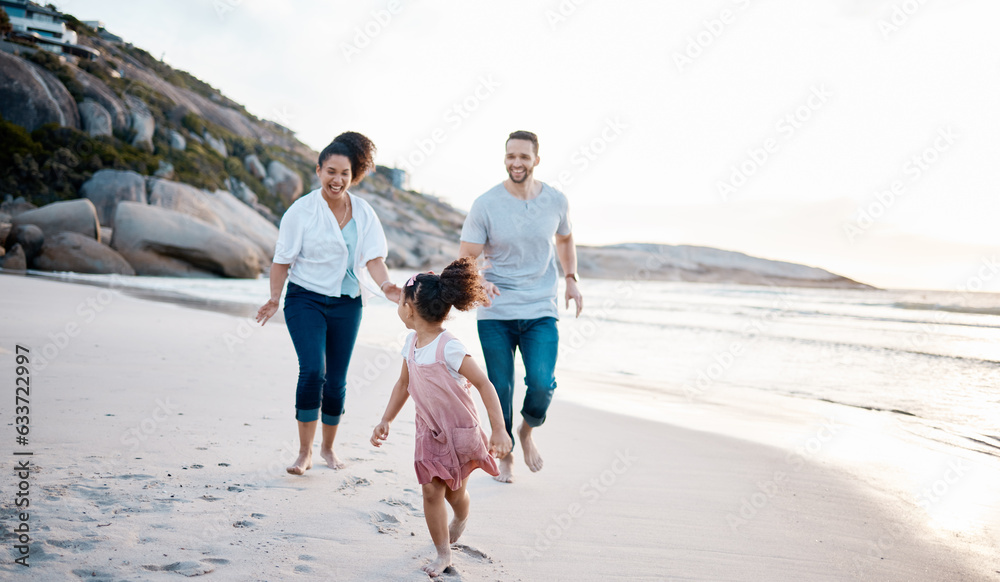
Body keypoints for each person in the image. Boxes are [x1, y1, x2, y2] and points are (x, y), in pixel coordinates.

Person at [256, 131, 402, 476]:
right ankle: (304, 452)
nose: (337, 180)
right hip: (305, 299)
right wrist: (275, 298)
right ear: (318, 170)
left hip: (348, 303)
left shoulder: (364, 212)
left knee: (336, 381)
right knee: (313, 371)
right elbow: (282, 260)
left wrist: (387, 286)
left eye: (345, 174)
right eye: (331, 171)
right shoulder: (301, 211)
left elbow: (373, 258)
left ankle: (328, 448)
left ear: (354, 177)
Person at [370, 257, 512, 577]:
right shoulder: (411, 342)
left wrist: (499, 429)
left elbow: (483, 383)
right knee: (432, 490)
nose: (399, 305)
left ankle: (462, 516)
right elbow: (404, 384)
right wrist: (386, 419)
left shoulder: (450, 348)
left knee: (455, 493)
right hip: (429, 432)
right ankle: (443, 552)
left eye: (400, 300)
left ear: (409, 309)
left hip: (460, 432)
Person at [458, 130, 583, 483]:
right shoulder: (486, 203)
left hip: (540, 308)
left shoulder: (556, 201)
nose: (517, 162)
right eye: (511, 156)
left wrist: (571, 278)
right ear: (505, 158)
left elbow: (565, 237)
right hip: (496, 310)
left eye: (524, 157)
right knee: (500, 385)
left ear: (536, 160)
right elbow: (466, 256)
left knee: (542, 384)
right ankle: (507, 450)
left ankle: (527, 430)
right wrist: (478, 279)